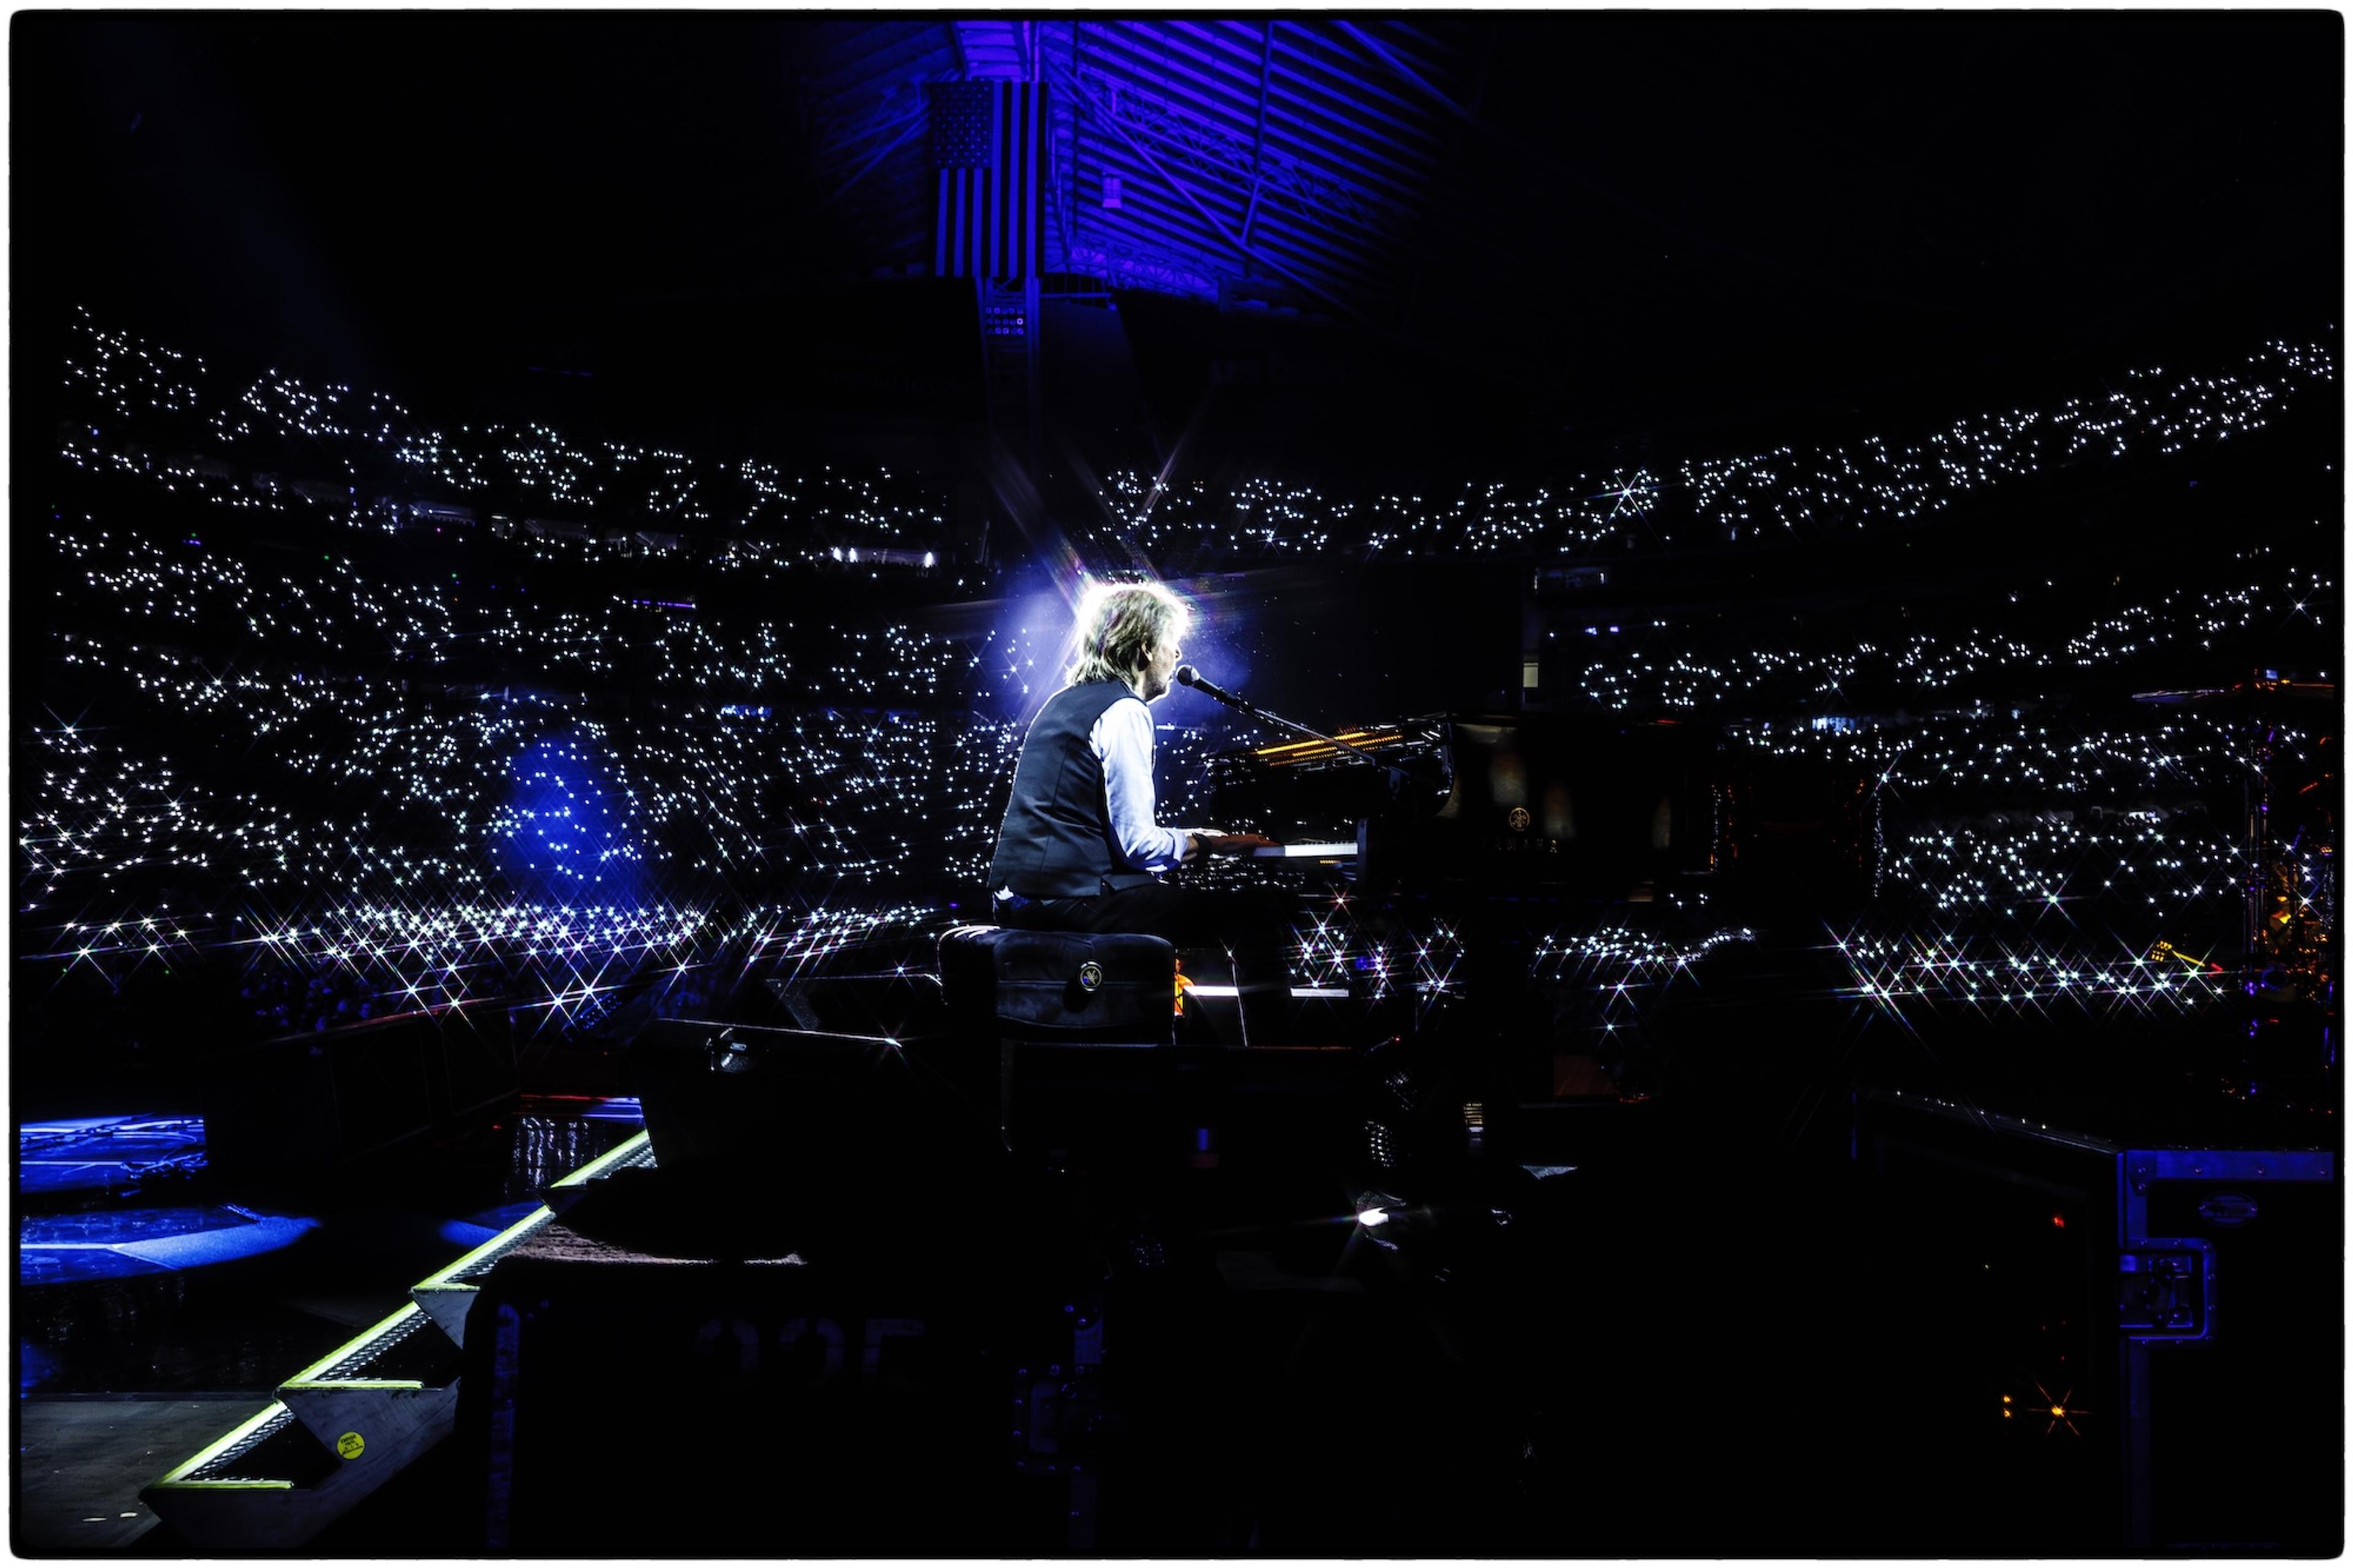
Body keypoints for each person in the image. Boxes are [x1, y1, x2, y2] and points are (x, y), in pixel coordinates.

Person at [987, 581, 1294, 1044]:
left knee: (1172, 898)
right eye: (1173, 641)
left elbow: (1093, 825)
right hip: (1070, 901)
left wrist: (1194, 836)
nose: (1178, 653)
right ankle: (1278, 1070)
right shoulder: (1125, 710)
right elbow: (1137, 845)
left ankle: (1185, 1042)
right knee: (1256, 914)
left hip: (1020, 896)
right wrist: (1218, 843)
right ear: (1147, 647)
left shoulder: (1062, 703)